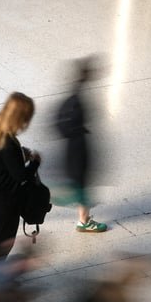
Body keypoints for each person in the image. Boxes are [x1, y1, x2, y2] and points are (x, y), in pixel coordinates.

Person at [0, 92, 40, 291]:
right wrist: (35, 162)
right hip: (4, 201)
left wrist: (19, 154)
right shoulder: (6, 142)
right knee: (1, 242)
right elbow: (21, 176)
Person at [56, 57, 108, 233]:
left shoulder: (73, 94)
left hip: (74, 145)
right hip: (78, 147)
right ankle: (84, 221)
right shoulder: (79, 97)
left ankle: (83, 217)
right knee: (82, 182)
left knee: (81, 182)